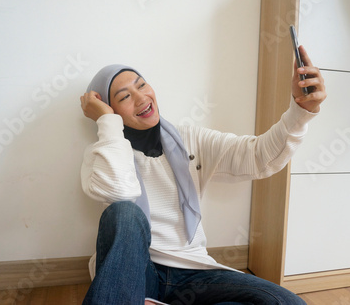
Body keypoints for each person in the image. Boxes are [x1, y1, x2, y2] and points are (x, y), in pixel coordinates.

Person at [79, 45, 326, 304]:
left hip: (193, 271)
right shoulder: (104, 154)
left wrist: (301, 110)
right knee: (124, 213)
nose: (141, 98)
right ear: (110, 110)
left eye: (141, 85)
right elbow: (119, 192)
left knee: (287, 303)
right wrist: (105, 123)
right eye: (124, 97)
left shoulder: (190, 139)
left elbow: (258, 156)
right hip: (136, 270)